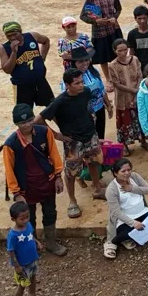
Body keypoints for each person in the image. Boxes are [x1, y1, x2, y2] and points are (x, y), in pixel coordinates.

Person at [38, 68, 104, 218]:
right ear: (67, 85)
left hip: (90, 135)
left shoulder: (85, 92)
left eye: (81, 81)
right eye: (77, 83)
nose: (81, 85)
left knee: (94, 162)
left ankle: (97, 188)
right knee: (71, 173)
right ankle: (72, 201)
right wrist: (56, 135)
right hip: (73, 142)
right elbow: (39, 119)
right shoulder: (60, 101)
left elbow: (86, 108)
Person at [0, 104, 64, 254]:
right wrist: (16, 193)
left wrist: (58, 176)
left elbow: (54, 155)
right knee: (29, 217)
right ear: (16, 124)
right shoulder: (10, 145)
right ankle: (32, 245)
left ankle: (51, 243)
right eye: (23, 123)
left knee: (50, 212)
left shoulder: (44, 132)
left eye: (30, 120)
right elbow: (9, 170)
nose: (27, 125)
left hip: (46, 181)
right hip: (26, 188)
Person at [103, 158, 148, 259]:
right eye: (123, 171)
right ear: (115, 173)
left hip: (142, 211)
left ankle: (132, 235)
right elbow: (116, 212)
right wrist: (133, 223)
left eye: (129, 170)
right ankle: (114, 242)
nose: (127, 173)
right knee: (126, 231)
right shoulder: (111, 189)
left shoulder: (134, 176)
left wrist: (132, 188)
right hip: (126, 218)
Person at [80, 0, 124, 80]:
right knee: (103, 58)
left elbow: (118, 9)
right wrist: (96, 21)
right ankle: (109, 79)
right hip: (100, 33)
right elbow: (83, 16)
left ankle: (119, 76)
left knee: (117, 54)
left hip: (113, 29)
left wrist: (115, 17)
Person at [0, 22, 53, 107]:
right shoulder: (4, 48)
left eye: (15, 34)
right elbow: (7, 70)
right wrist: (14, 52)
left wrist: (42, 58)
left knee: (52, 107)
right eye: (9, 36)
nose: (13, 38)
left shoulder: (32, 36)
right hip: (22, 86)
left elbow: (46, 41)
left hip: (40, 81)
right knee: (25, 114)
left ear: (20, 31)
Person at [106, 39, 144, 152]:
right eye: (120, 50)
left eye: (125, 49)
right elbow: (117, 84)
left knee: (140, 118)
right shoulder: (112, 65)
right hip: (123, 98)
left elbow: (140, 76)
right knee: (124, 121)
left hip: (137, 95)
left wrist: (137, 89)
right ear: (115, 51)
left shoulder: (135, 59)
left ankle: (143, 141)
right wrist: (134, 90)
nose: (123, 53)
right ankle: (125, 145)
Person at [6, 200, 47, 296]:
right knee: (22, 285)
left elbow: (30, 236)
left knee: (33, 278)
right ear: (13, 219)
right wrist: (16, 265)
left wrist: (37, 242)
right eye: (22, 218)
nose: (25, 220)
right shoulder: (13, 235)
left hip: (32, 259)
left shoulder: (28, 225)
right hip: (22, 265)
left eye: (27, 217)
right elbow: (11, 251)